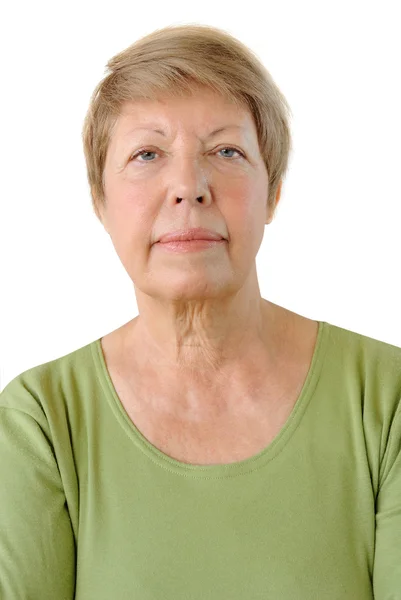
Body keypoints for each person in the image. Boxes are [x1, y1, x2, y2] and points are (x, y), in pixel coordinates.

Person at [1, 23, 400, 600]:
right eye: (147, 154)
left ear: (275, 191)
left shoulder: (384, 401)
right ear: (100, 201)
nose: (189, 186)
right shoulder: (40, 422)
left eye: (226, 150)